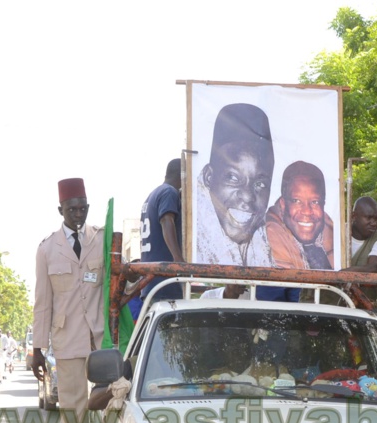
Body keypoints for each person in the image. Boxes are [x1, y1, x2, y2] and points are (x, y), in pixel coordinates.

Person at [33, 177, 105, 423]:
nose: (79, 213)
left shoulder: (102, 240)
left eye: (83, 207)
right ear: (60, 209)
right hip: (67, 338)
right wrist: (37, 347)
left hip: (100, 337)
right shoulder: (47, 250)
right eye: (72, 208)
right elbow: (42, 303)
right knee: (73, 405)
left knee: (111, 399)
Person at [195, 103, 275, 267]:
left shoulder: (272, 240)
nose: (248, 196)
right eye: (232, 177)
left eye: (260, 183)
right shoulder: (195, 240)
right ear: (209, 177)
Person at [266, 161, 335, 270]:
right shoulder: (269, 232)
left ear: (323, 205)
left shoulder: (332, 232)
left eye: (315, 202)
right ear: (283, 204)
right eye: (296, 201)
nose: (307, 211)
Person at [140, 158, 185, 303]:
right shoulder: (169, 192)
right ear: (182, 174)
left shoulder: (154, 194)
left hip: (151, 281)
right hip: (163, 282)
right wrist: (178, 259)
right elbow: (167, 221)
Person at [343, 196, 377, 273]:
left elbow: (373, 268)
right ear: (354, 216)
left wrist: (340, 274)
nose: (373, 223)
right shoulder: (338, 232)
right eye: (368, 218)